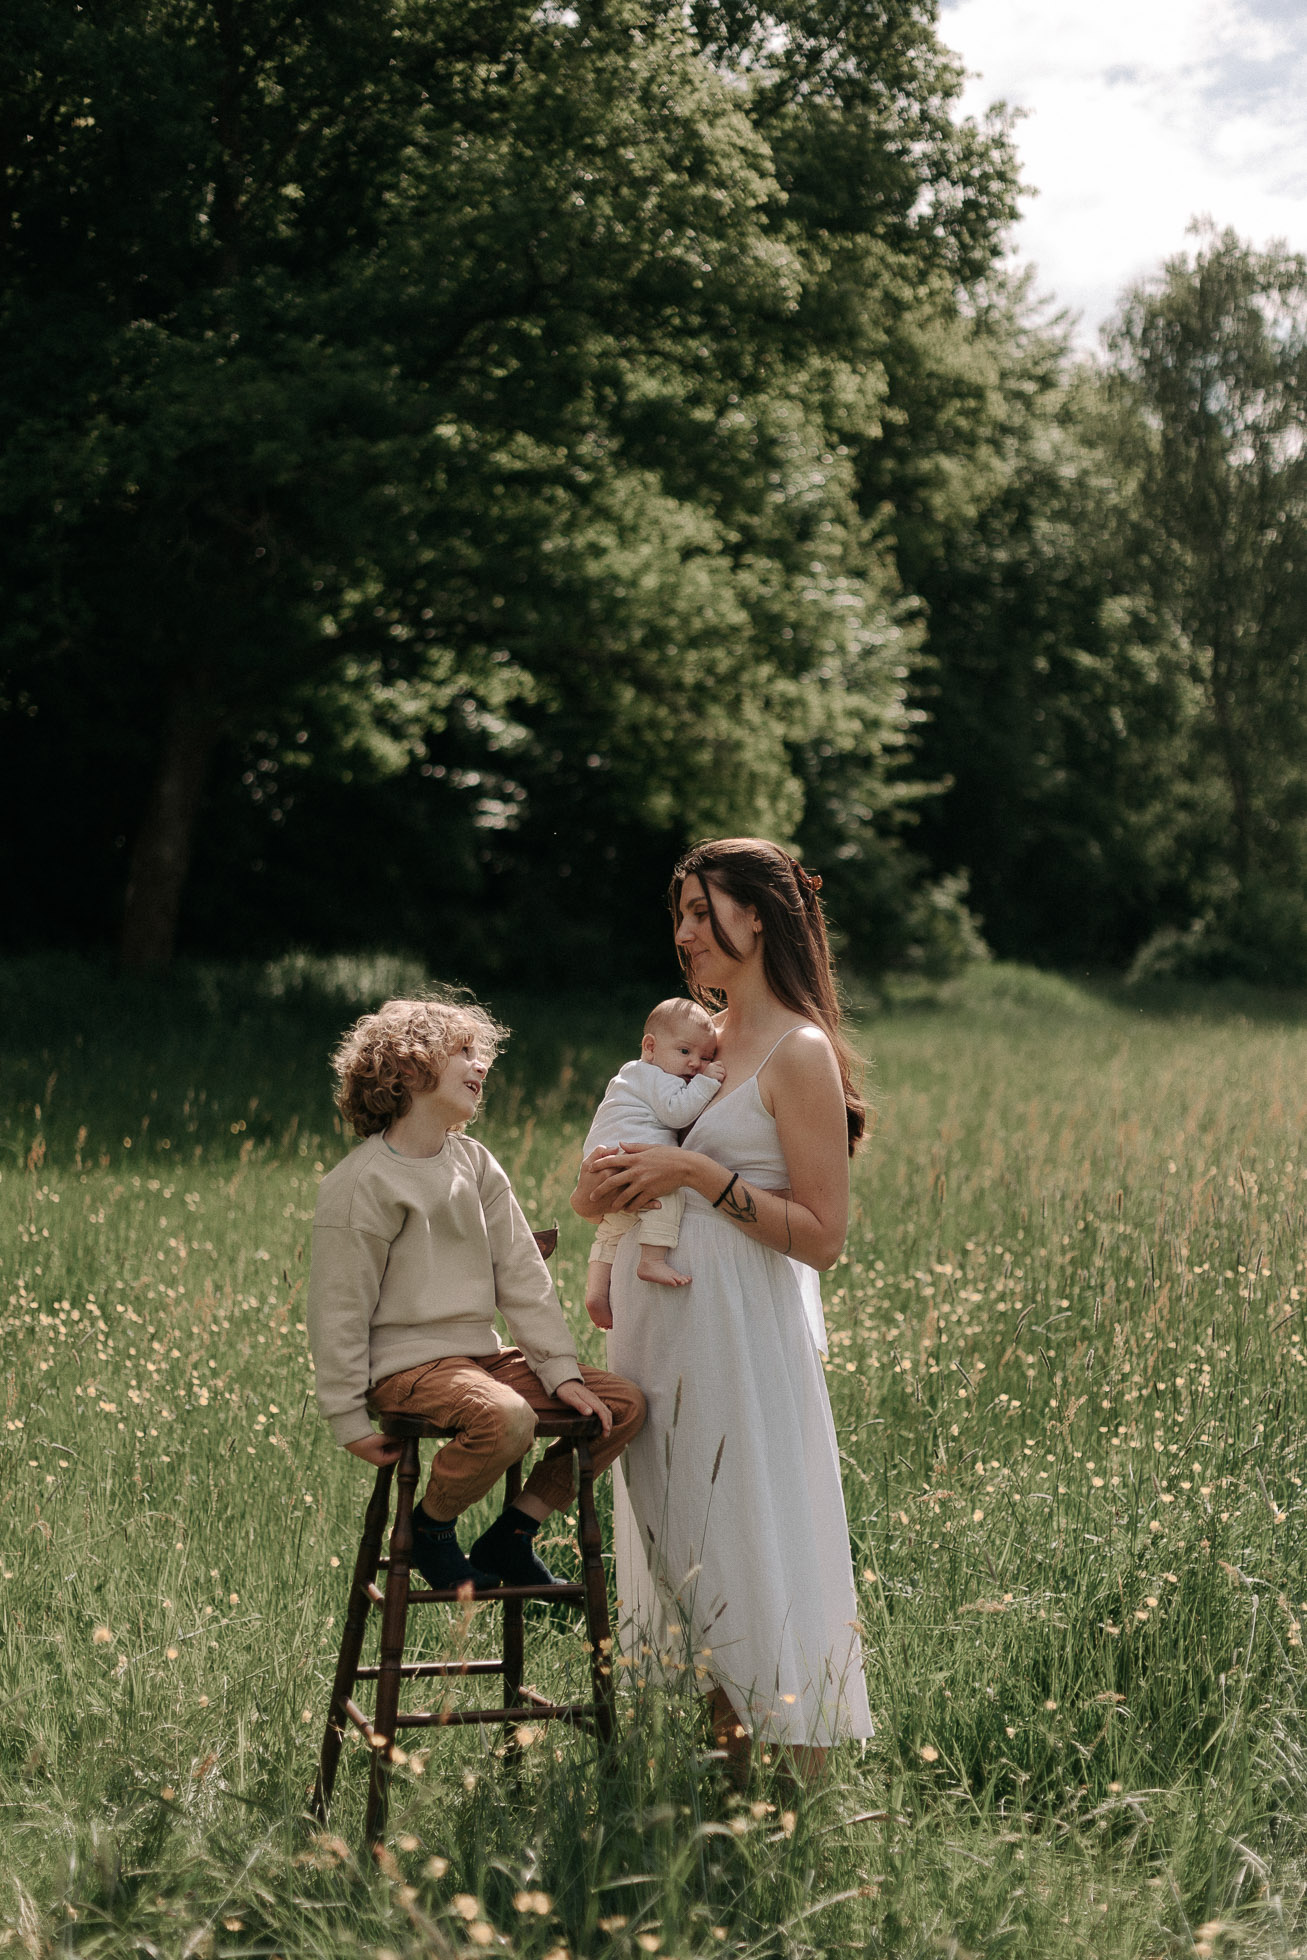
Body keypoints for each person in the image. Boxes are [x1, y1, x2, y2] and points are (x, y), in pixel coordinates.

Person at [571, 838, 873, 1782]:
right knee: (683, 1551)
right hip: (654, 1335)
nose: (684, 932)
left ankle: (798, 1789)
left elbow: (821, 1236)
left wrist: (697, 1175)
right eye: (680, 914)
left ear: (760, 916)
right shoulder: (690, 1041)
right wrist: (602, 1188)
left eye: (702, 911)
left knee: (750, 1540)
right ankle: (734, 1778)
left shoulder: (798, 1050)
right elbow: (604, 1180)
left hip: (738, 1335)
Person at [306, 994, 646, 1594]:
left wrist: (559, 1370)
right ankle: (430, 1529)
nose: (481, 1064)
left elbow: (522, 1274)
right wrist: (346, 1416)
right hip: (407, 1369)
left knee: (621, 1405)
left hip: (480, 1362)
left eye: (479, 1052)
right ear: (408, 1066)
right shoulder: (362, 1183)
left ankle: (513, 1532)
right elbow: (337, 1308)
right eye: (462, 1051)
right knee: (506, 1417)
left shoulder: (476, 1164)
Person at [582, 997, 726, 1330]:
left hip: (604, 1161)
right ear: (650, 1047)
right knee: (669, 1195)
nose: (695, 1064)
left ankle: (596, 1292)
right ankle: (652, 1259)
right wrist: (707, 1081)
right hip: (632, 1158)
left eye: (706, 1057)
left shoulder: (629, 1076)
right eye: (685, 1051)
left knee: (611, 1230)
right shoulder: (660, 1077)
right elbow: (677, 1112)